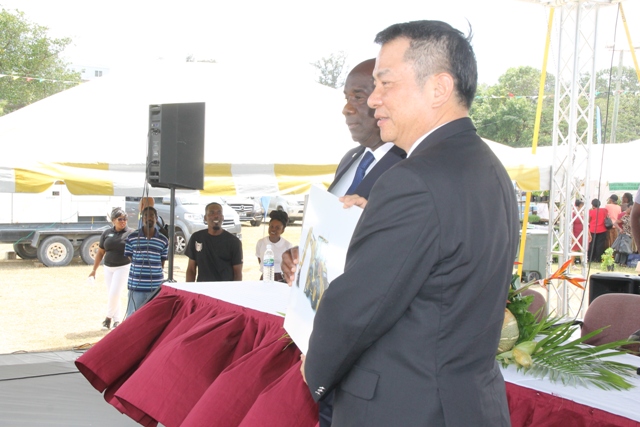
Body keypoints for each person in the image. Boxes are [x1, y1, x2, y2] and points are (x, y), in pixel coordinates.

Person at [301, 20, 518, 426]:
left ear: (438, 88)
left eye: (386, 84)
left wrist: (315, 368)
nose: (373, 101)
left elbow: (359, 308)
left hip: (404, 407)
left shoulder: (413, 180)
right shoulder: (489, 168)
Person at [283, 58, 406, 426]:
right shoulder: (352, 159)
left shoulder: (409, 168)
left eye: (359, 96)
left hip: (366, 348)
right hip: (324, 334)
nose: (346, 108)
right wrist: (301, 256)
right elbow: (332, 235)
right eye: (345, 96)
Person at [89, 207, 132, 329]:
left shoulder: (130, 233)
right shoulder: (106, 233)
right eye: (120, 219)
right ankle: (117, 321)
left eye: (125, 219)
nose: (123, 221)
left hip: (123, 267)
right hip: (108, 267)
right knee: (113, 295)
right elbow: (100, 252)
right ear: (113, 220)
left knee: (114, 293)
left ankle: (107, 318)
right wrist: (94, 270)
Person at [124, 206, 169, 318]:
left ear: (156, 218)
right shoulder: (132, 237)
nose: (149, 218)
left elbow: (162, 261)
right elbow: (130, 257)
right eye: (146, 215)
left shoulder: (163, 239)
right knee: (134, 317)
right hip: (136, 287)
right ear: (142, 218)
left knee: (153, 317)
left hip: (155, 287)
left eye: (152, 215)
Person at [185, 202, 243, 282]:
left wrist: (233, 292)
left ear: (222, 217)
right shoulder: (197, 238)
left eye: (219, 212)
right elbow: (191, 269)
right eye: (211, 212)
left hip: (224, 290)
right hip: (202, 289)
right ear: (205, 217)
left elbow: (238, 273)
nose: (216, 216)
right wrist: (189, 291)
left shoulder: (234, 242)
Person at [255, 210, 292, 282]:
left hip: (281, 278)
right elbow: (260, 260)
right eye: (271, 226)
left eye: (277, 228)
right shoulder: (261, 243)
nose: (273, 229)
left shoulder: (288, 246)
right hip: (265, 277)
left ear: (283, 230)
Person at [588, 198, 609, 263]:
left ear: (592, 205)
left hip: (593, 229)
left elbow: (589, 220)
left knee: (592, 244)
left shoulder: (591, 211)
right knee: (600, 244)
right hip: (602, 229)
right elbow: (607, 217)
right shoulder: (605, 210)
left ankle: (590, 258)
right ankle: (598, 258)